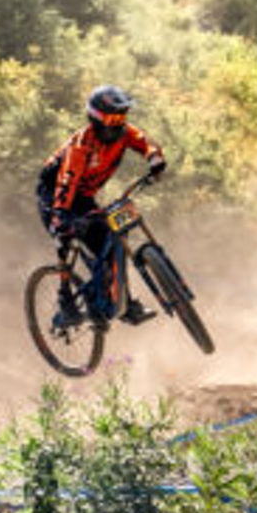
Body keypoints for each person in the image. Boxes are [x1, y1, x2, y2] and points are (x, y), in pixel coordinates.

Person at [35, 85, 168, 330]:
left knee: (110, 242)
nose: (118, 123)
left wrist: (154, 158)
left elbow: (144, 141)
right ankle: (66, 301)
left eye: (121, 117)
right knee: (64, 237)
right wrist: (60, 217)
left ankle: (122, 303)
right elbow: (67, 180)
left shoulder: (125, 133)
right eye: (112, 118)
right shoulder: (81, 145)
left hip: (83, 197)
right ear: (96, 119)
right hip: (55, 196)